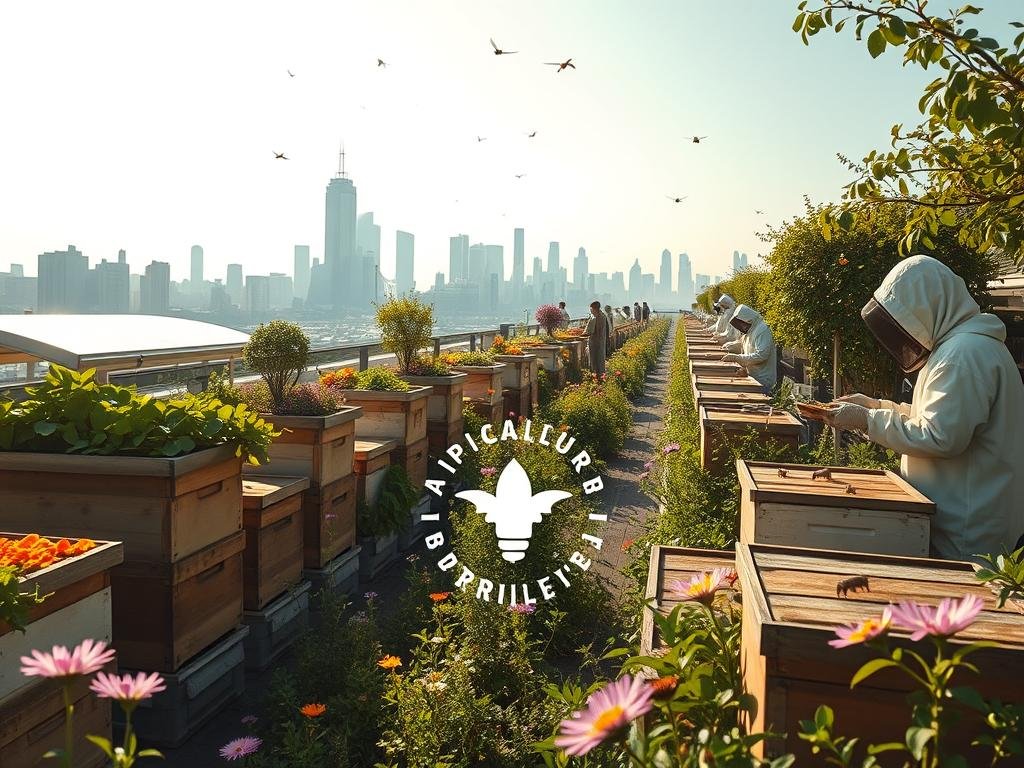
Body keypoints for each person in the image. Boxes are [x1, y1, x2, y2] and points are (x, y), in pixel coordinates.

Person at [823, 255, 1024, 562]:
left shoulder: (963, 355)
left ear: (927, 306)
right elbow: (934, 417)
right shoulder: (966, 348)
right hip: (965, 521)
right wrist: (877, 406)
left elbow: (940, 436)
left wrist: (868, 420)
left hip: (965, 533)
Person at [721, 304, 777, 393]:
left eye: (742, 323)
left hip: (763, 380)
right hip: (753, 377)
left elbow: (762, 355)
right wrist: (729, 346)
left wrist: (737, 358)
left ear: (748, 319)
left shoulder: (762, 329)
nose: (742, 327)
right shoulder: (751, 330)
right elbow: (745, 345)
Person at [585, 300, 608, 376]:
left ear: (594, 308)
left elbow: (589, 331)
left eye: (591, 308)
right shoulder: (603, 315)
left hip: (594, 341)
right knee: (600, 359)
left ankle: (595, 375)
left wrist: (583, 334)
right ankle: (601, 374)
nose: (590, 310)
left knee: (593, 359)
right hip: (601, 341)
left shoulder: (594, 317)